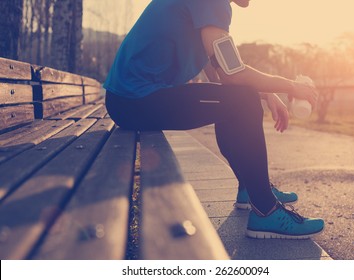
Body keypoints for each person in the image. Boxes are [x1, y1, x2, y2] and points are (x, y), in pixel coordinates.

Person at [104, 0, 324, 239]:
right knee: (243, 102)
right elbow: (232, 74)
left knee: (238, 100)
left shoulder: (205, 10)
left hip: (129, 101)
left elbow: (222, 77)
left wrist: (268, 93)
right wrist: (290, 87)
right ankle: (266, 210)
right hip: (137, 100)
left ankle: (249, 188)